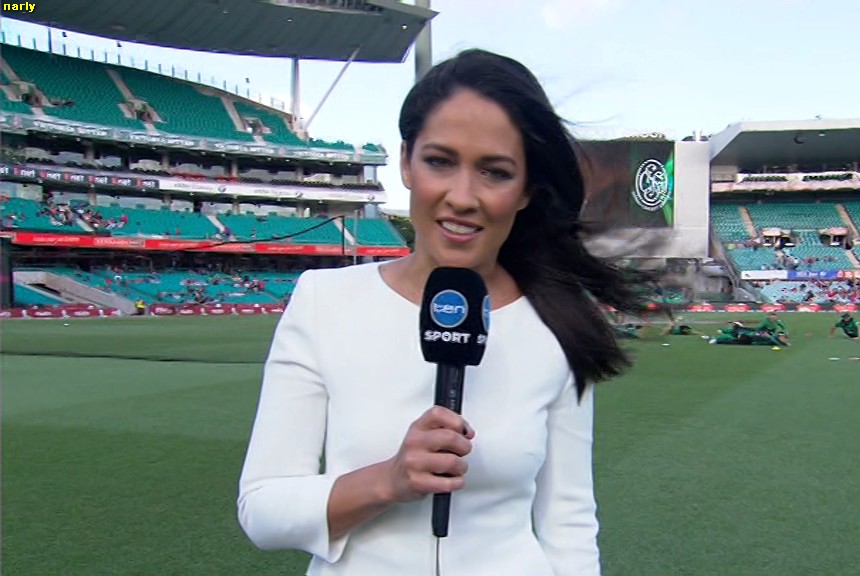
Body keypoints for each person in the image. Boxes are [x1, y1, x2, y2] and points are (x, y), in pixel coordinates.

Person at [237, 49, 647, 576]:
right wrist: (386, 480)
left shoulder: (558, 321)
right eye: (440, 162)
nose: (463, 197)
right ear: (406, 162)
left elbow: (570, 524)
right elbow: (263, 510)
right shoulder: (324, 300)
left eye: (495, 172)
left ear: (525, 191)